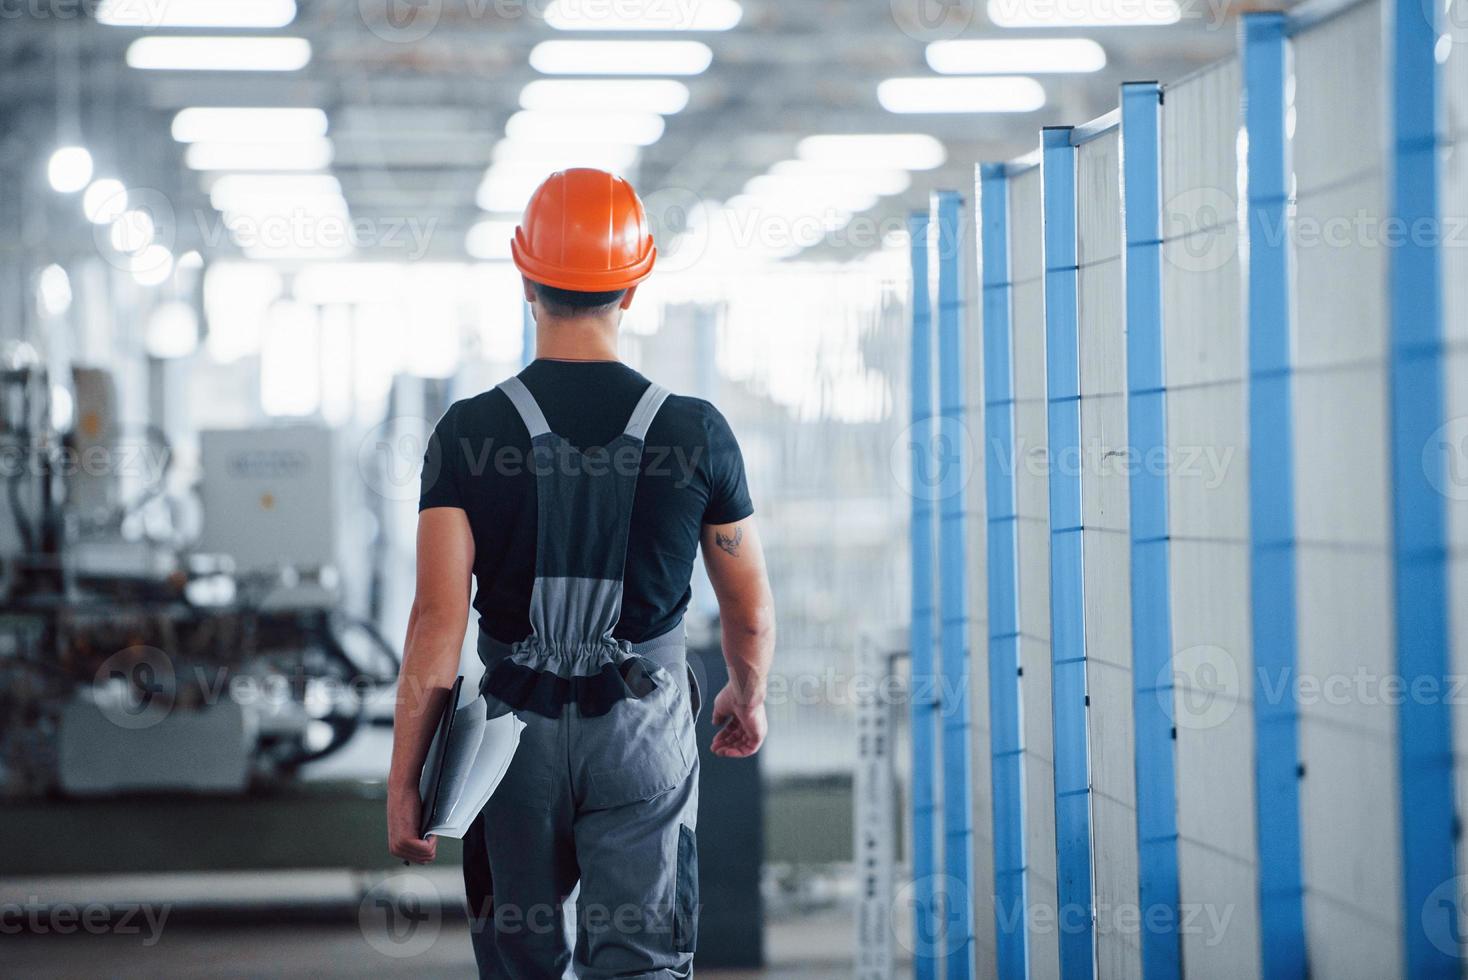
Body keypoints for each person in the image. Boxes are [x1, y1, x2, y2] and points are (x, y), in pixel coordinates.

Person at [385, 168, 777, 978]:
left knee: (521, 956)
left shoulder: (467, 433)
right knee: (642, 961)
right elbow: (749, 605)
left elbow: (435, 623)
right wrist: (748, 691)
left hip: (506, 745)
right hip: (642, 732)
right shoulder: (695, 432)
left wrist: (406, 784)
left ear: (526, 277)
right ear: (632, 285)